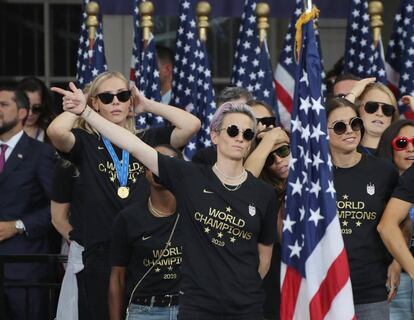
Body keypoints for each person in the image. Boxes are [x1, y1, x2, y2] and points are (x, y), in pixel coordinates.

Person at [56, 82, 278, 319]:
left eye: (247, 134)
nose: (239, 139)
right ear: (215, 135)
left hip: (248, 309)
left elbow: (264, 257)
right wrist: (86, 112)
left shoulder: (264, 194)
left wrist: (242, 290)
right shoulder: (191, 177)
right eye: (232, 131)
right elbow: (132, 144)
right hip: (198, 309)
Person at [48, 71, 200, 320]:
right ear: (95, 103)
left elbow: (191, 125)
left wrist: (147, 104)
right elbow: (55, 131)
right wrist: (81, 104)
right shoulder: (85, 141)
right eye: (106, 97)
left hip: (146, 251)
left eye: (122, 95)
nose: (116, 101)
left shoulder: (146, 139)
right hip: (102, 252)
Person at [326, 97, 400, 320]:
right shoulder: (313, 175)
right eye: (340, 126)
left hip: (371, 288)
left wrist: (397, 261)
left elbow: (400, 221)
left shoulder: (384, 170)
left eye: (355, 123)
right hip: (324, 288)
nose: (350, 131)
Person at [0, 86, 56, 320]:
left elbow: (58, 207)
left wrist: (18, 225)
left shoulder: (40, 153)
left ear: (22, 113)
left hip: (25, 269)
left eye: (3, 105)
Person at [109, 144, 182, 320]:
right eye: (153, 162)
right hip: (145, 311)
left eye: (166, 163)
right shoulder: (128, 218)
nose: (159, 168)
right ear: (144, 170)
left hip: (190, 308)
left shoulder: (195, 212)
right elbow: (117, 276)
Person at [244, 109, 290, 320]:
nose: (279, 161)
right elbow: (247, 180)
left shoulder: (312, 183)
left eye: (283, 152)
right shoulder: (262, 192)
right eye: (270, 158)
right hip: (271, 280)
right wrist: (269, 139)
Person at [377, 119, 414, 319]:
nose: (410, 148)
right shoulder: (377, 186)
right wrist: (397, 262)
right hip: (393, 281)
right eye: (402, 143)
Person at [191, 86, 253, 165]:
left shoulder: (266, 148)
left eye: (242, 110)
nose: (237, 115)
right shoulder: (204, 157)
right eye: (228, 111)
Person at [345, 78, 399, 155]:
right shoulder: (343, 151)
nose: (379, 113)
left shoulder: (403, 154)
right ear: (357, 110)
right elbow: (338, 119)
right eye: (371, 107)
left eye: (387, 109)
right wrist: (352, 94)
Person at [17, 77, 55, 143]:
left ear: (44, 105)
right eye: (26, 107)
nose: (30, 113)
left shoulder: (51, 132)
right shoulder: (5, 131)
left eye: (37, 108)